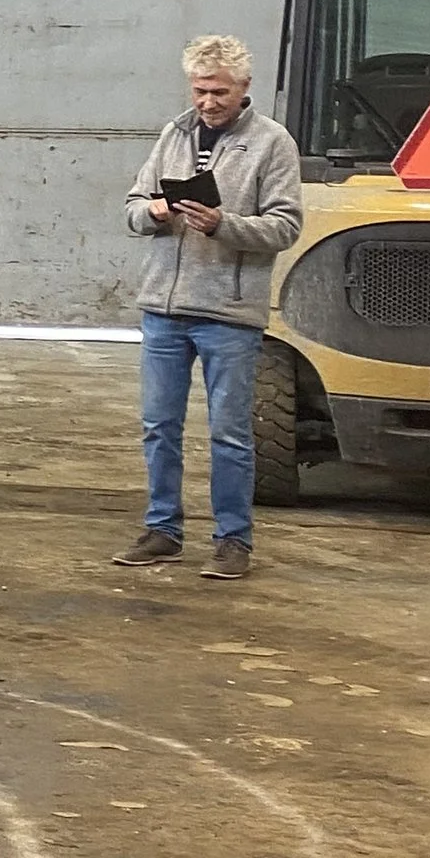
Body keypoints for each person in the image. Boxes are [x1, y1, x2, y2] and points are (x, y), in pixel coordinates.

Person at [114, 33, 304, 579]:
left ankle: (233, 539)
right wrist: (151, 213)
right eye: (200, 91)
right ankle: (163, 530)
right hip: (163, 310)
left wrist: (226, 226)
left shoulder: (273, 144)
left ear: (244, 88)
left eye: (219, 92)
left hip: (229, 313)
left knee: (229, 431)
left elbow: (287, 225)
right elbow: (131, 207)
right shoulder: (173, 134)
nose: (207, 102)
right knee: (158, 425)